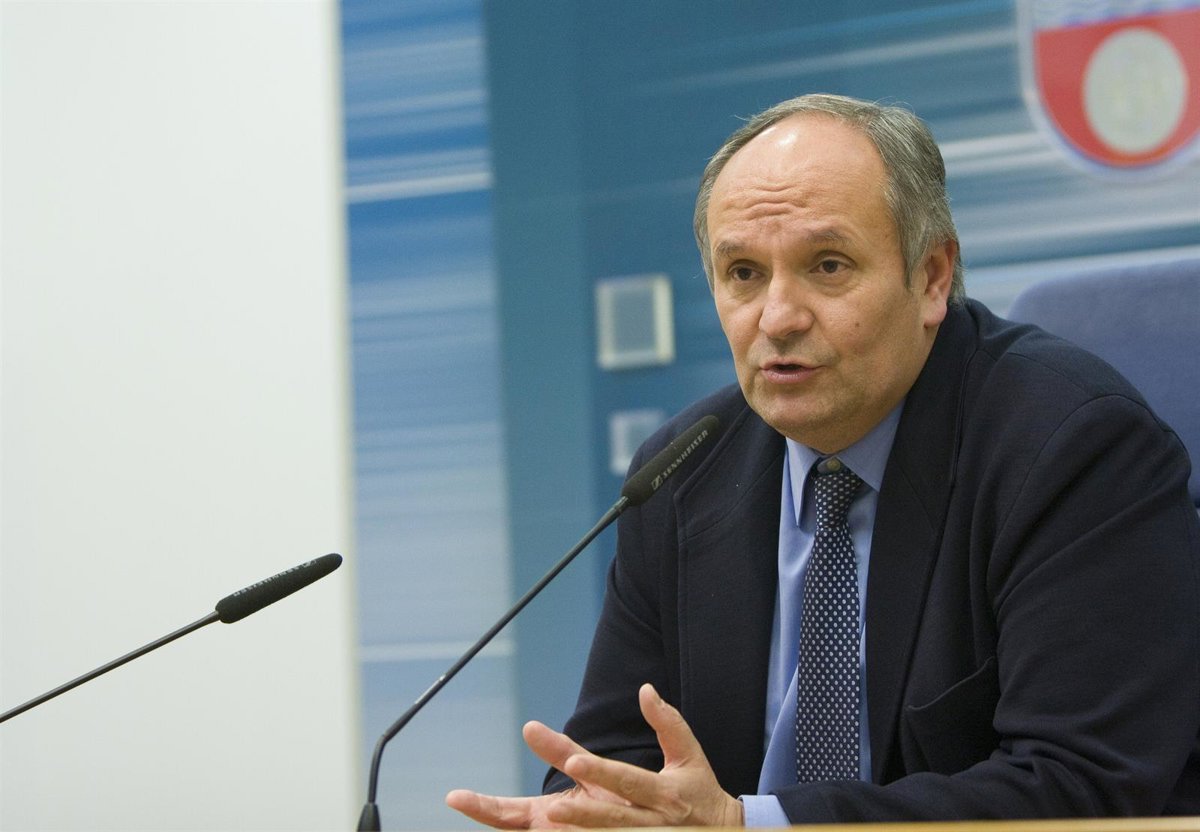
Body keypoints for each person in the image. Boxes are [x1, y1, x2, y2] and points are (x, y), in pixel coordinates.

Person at [446, 93, 1200, 826]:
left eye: (829, 265)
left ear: (931, 277)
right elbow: (617, 759)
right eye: (744, 273)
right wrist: (591, 812)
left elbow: (1078, 782)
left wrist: (752, 825)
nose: (777, 318)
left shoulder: (1071, 449)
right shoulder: (679, 475)